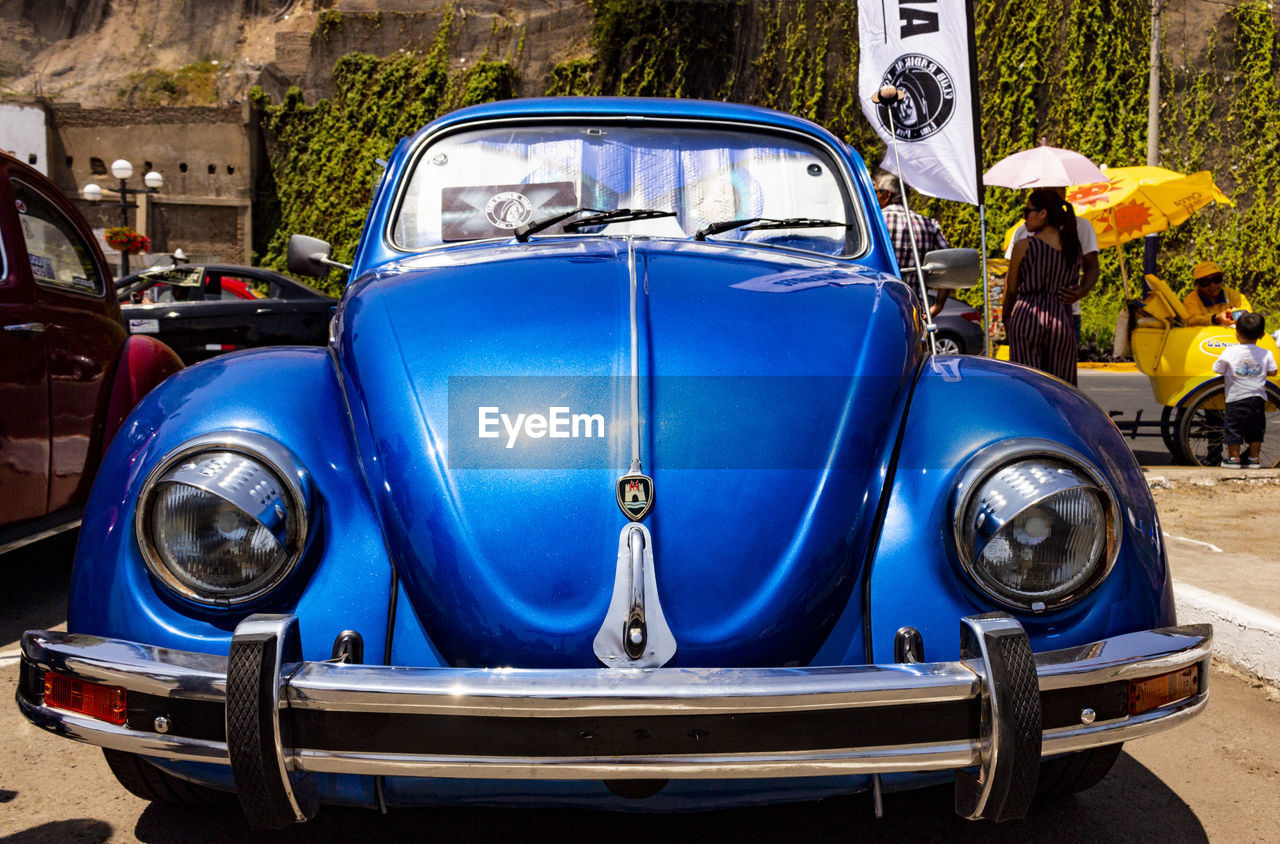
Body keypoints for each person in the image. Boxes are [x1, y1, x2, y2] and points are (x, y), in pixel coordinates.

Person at [1002, 188, 1083, 385]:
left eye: (1027, 212)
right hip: (1061, 318)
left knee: (1028, 385)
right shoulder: (1073, 248)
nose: (1025, 219)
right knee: (1061, 386)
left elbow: (1011, 289)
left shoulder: (1024, 246)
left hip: (1027, 315)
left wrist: (1006, 318)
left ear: (1043, 213)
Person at [1004, 187, 1099, 344]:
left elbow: (1092, 267)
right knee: (1057, 367)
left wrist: (1083, 290)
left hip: (1060, 312)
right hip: (1051, 314)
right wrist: (1007, 316)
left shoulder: (1080, 227)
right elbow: (1011, 279)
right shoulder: (1022, 231)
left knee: (1030, 368)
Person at [874, 171, 949, 318]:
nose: (874, 196)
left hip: (877, 310)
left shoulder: (872, 222)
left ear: (887, 194)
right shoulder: (928, 224)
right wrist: (938, 305)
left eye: (876, 191)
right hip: (914, 313)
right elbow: (948, 264)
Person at [1213, 312, 1276, 467]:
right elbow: (1273, 371)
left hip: (1236, 398)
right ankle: (1254, 459)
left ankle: (1234, 459)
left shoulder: (1229, 351)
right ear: (1261, 335)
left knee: (1233, 429)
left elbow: (1218, 368)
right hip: (1257, 398)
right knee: (1256, 430)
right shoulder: (1266, 353)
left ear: (1236, 334)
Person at [1183, 261, 1252, 327]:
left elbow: (1247, 311)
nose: (1213, 285)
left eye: (1217, 279)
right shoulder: (1191, 301)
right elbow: (1191, 321)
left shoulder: (1232, 294)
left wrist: (1233, 315)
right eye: (1205, 282)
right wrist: (1215, 318)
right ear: (1197, 284)